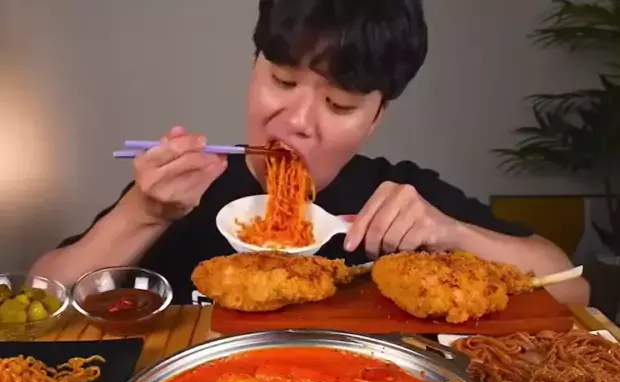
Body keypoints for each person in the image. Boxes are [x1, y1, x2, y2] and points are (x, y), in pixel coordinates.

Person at [30, 0, 589, 306]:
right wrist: (142, 213)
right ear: (253, 68)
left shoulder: (399, 198)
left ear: (376, 117)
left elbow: (570, 287)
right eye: (281, 80)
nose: (297, 121)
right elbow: (40, 298)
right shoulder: (181, 190)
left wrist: (452, 233)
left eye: (339, 104)